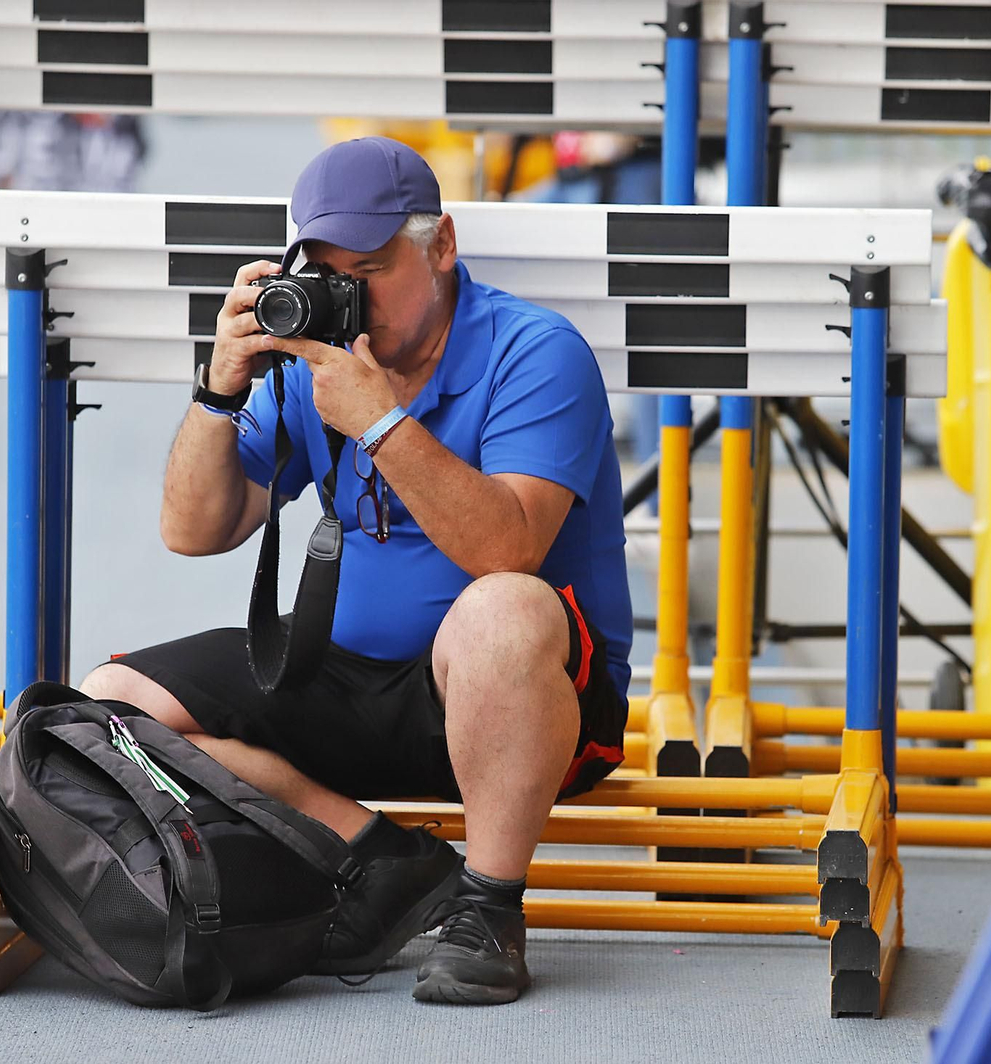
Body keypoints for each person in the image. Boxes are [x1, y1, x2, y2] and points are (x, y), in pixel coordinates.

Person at [77, 136, 633, 1006]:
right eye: (331, 273)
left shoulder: (535, 352)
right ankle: (381, 859)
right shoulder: (319, 365)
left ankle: (489, 909)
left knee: (504, 611)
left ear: (441, 246)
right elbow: (193, 530)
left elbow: (509, 551)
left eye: (372, 268)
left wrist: (380, 423)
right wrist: (220, 389)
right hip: (344, 682)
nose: (352, 296)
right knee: (113, 701)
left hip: (517, 698)